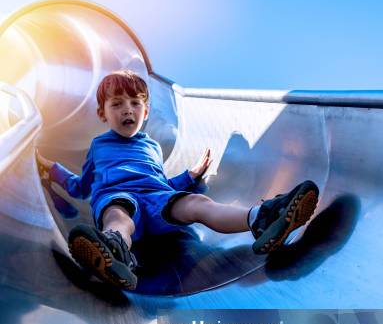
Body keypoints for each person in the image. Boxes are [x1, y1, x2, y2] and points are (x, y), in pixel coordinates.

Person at [37, 70, 319, 291]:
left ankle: (262, 217)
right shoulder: (98, 146)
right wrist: (52, 170)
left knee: (197, 203)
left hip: (156, 197)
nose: (127, 110)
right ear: (103, 113)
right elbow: (81, 186)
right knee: (118, 215)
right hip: (117, 194)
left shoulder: (152, 147)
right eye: (117, 104)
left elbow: (163, 184)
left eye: (135, 103)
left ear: (145, 112)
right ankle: (114, 249)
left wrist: (191, 175)